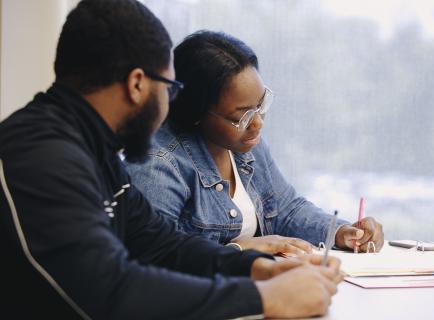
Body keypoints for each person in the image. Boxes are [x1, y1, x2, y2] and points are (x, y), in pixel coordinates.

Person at [0, 1, 342, 319]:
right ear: (137, 84)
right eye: (169, 88)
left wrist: (256, 268)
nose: (171, 103)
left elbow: (160, 244)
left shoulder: (91, 148)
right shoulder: (43, 156)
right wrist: (264, 297)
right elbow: (109, 290)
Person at [126, 30, 385, 256]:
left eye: (260, 105)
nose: (258, 123)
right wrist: (239, 250)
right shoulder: (157, 164)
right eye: (242, 115)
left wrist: (340, 232)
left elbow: (287, 209)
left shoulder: (244, 143)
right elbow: (153, 258)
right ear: (195, 112)